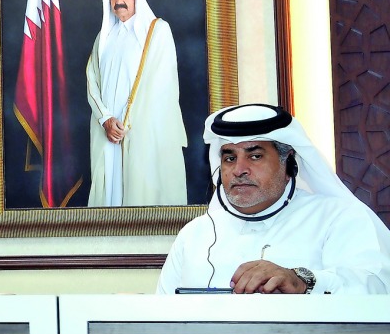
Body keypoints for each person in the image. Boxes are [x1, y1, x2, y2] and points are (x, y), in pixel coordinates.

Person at [157, 103, 390, 294]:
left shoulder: (339, 218)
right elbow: (162, 317)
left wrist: (302, 281)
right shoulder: (194, 235)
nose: (239, 170)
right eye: (229, 159)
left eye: (255, 156)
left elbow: (375, 288)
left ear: (288, 164)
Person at [86, 0, 187, 206]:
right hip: (109, 131)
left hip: (142, 132)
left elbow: (163, 85)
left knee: (142, 194)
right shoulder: (104, 37)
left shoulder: (158, 31)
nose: (118, 1)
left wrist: (129, 123)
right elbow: (91, 80)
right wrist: (106, 119)